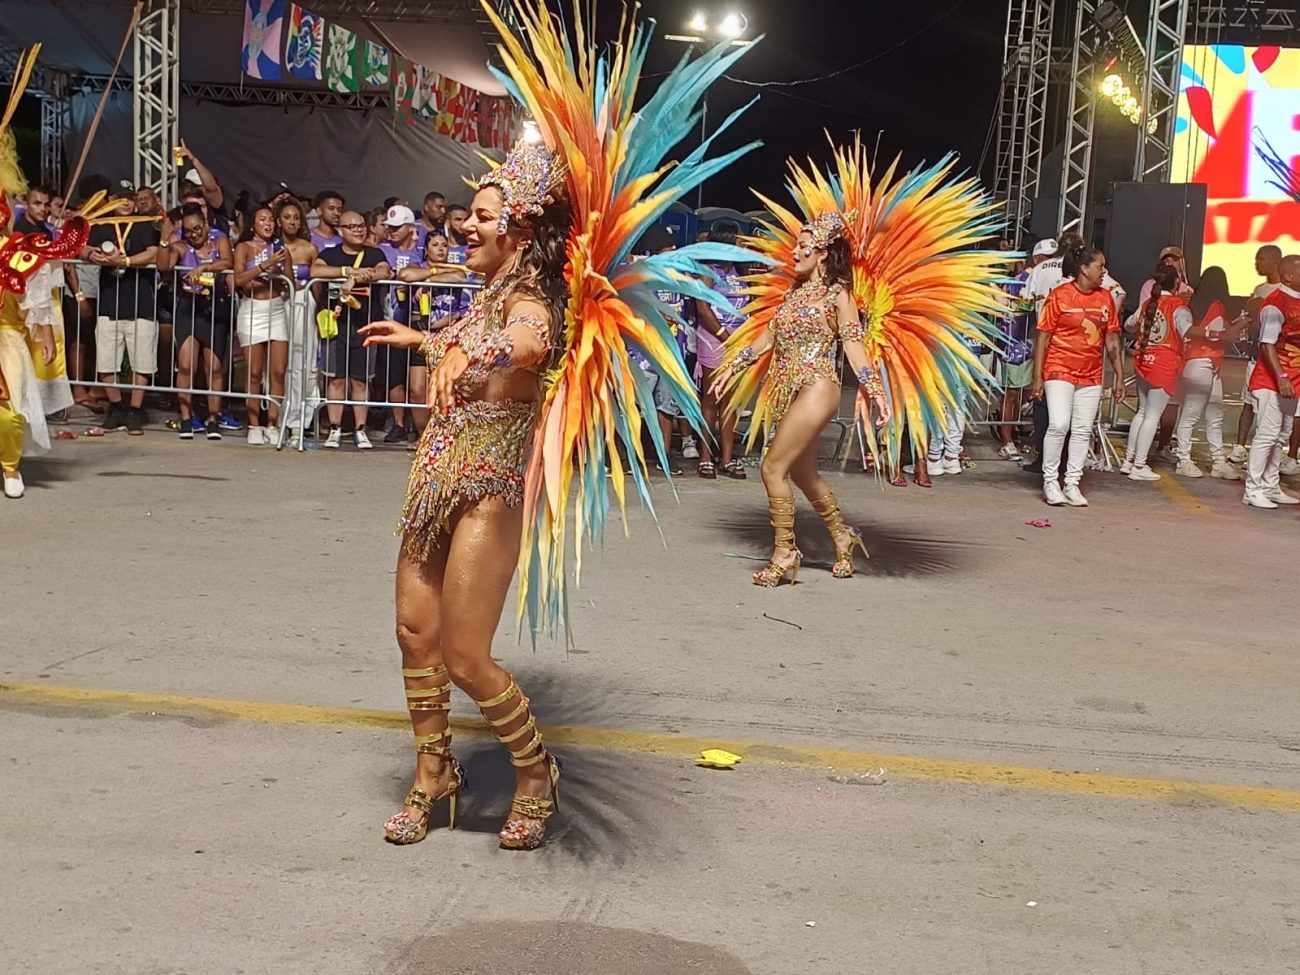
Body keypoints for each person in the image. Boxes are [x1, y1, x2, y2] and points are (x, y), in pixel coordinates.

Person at [355, 0, 753, 849]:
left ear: (523, 231)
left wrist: (486, 351)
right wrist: (427, 337)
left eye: (485, 218)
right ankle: (436, 774)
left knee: (465, 653)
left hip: (491, 486)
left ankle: (536, 769)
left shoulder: (532, 301)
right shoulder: (483, 294)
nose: (470, 224)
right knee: (411, 633)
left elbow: (530, 344)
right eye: (474, 216)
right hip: (434, 475)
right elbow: (479, 342)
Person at [717, 141, 1006, 581]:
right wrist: (732, 367)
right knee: (803, 473)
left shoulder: (839, 295)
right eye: (795, 246)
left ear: (822, 254)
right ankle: (842, 534)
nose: (794, 252)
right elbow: (767, 339)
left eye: (803, 247)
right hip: (791, 386)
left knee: (771, 466)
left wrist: (875, 390)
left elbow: (853, 347)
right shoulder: (793, 295)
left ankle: (784, 554)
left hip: (818, 386)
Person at [1033, 244, 1126, 506]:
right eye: (1100, 266)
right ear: (1084, 269)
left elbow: (1112, 341)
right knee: (1059, 424)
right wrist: (1038, 376)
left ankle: (1072, 483)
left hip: (1091, 374)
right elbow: (1043, 336)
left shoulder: (1105, 297)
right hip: (1059, 368)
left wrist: (1119, 375)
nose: (1104, 271)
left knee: (1082, 430)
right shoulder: (1060, 296)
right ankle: (1050, 481)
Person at [310, 210, 390, 449]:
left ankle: (360, 429)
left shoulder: (374, 253)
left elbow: (383, 271)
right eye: (352, 226)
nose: (358, 230)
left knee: (360, 380)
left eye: (361, 225)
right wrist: (347, 272)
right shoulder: (330, 254)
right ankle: (335, 428)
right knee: (336, 379)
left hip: (365, 324)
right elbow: (316, 271)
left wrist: (356, 279)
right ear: (340, 230)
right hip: (336, 325)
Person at [84, 193, 162, 435]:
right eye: (119, 199)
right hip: (109, 305)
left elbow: (155, 253)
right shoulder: (102, 225)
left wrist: (125, 261)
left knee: (143, 362)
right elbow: (82, 248)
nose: (125, 203)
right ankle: (116, 407)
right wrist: (90, 254)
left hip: (141, 305)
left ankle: (136, 410)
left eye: (130, 199)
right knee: (107, 361)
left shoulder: (145, 224)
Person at [157, 203, 233, 440]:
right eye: (189, 231)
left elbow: (228, 262)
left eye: (198, 229)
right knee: (187, 365)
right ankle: (187, 417)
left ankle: (212, 417)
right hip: (188, 307)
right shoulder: (181, 246)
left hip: (214, 307)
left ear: (206, 224)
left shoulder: (219, 240)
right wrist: (163, 238)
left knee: (215, 367)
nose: (194, 234)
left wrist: (205, 267)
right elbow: (164, 266)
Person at [1122, 265, 1192, 481]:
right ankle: (1139, 465)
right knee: (1153, 415)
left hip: (1143, 361)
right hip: (1163, 365)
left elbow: (1129, 325)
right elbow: (1188, 332)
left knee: (1142, 413)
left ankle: (1128, 461)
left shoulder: (1147, 303)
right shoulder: (1178, 306)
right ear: (1177, 284)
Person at [1173, 268, 1244, 480]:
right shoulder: (1218, 307)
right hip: (1205, 364)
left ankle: (1216, 461)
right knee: (1200, 415)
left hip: (1204, 364)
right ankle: (1185, 460)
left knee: (1208, 414)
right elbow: (1223, 335)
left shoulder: (1192, 307)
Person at [1241, 254, 1300, 509]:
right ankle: (1252, 489)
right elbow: (1267, 345)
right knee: (1267, 434)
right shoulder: (1275, 304)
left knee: (1280, 436)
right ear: (1288, 275)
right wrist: (1282, 377)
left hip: (1294, 380)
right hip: (1273, 380)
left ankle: (1270, 485)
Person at [233, 206, 292, 446]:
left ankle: (273, 423)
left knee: (278, 371)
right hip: (252, 310)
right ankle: (254, 424)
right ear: (252, 223)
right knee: (254, 372)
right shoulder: (244, 248)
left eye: (270, 220)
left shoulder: (280, 249)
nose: (267, 224)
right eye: (262, 219)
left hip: (276, 309)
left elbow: (290, 283)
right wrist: (264, 266)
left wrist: (281, 265)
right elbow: (239, 279)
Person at [694, 219, 748, 479]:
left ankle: (727, 459)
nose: (741, 243)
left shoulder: (740, 272)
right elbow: (702, 308)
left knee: (731, 402)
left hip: (738, 343)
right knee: (711, 399)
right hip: (715, 341)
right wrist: (724, 336)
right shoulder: (708, 271)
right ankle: (705, 456)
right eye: (737, 239)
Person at [1229, 244, 1283, 464]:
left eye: (1261, 259)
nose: (1256, 264)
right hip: (1255, 357)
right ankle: (1240, 447)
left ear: (1274, 261)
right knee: (1248, 403)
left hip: (1276, 361)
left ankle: (1270, 456)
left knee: (1271, 411)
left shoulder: (1284, 292)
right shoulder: (1259, 289)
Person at [377, 205, 426, 443]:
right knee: (393, 373)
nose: (392, 231)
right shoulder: (381, 250)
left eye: (397, 228)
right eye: (390, 227)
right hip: (389, 317)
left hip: (418, 320)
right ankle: (397, 423)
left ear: (410, 228)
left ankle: (418, 427)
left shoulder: (423, 251)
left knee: (417, 379)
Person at [275, 199, 320, 443]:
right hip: (277, 303)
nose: (292, 222)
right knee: (280, 365)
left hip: (303, 303)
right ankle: (276, 420)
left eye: (296, 217)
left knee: (302, 362)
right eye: (287, 217)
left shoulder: (310, 249)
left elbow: (317, 285)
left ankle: (298, 423)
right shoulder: (272, 247)